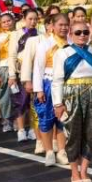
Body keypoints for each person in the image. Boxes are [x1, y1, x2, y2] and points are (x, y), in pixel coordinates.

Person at [52, 19, 92, 182]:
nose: (82, 36)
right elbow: (57, 81)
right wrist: (58, 103)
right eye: (78, 33)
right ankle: (74, 172)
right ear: (70, 34)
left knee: (91, 134)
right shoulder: (62, 53)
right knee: (73, 134)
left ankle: (84, 169)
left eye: (85, 32)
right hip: (71, 96)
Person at [31, 12, 71, 167]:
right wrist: (39, 89)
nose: (63, 28)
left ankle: (62, 151)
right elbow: (38, 68)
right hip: (48, 84)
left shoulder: (71, 43)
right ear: (52, 26)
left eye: (66, 25)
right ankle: (49, 151)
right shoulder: (45, 44)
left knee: (63, 119)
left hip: (66, 86)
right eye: (60, 25)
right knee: (46, 118)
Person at [8, 8, 40, 144]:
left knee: (34, 102)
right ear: (24, 19)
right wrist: (11, 74)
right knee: (20, 101)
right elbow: (12, 55)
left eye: (35, 19)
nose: (33, 22)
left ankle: (33, 128)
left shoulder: (40, 34)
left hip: (36, 72)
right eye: (30, 19)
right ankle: (21, 129)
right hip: (20, 72)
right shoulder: (16, 35)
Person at [0, 11, 17, 133]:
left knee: (18, 96)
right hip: (4, 68)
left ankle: (18, 120)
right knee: (4, 96)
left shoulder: (20, 35)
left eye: (9, 21)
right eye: (4, 22)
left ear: (13, 21)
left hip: (18, 68)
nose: (7, 23)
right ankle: (7, 120)